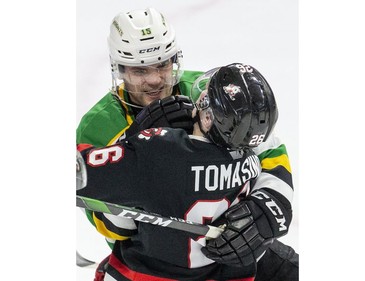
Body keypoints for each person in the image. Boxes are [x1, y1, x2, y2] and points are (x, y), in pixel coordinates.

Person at [76, 7, 298, 281]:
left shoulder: (206, 91)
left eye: (162, 64)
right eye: (140, 70)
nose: (155, 79)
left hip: (238, 251)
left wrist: (265, 211)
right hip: (160, 264)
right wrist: (135, 140)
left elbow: (269, 148)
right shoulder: (98, 126)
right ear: (119, 70)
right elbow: (112, 226)